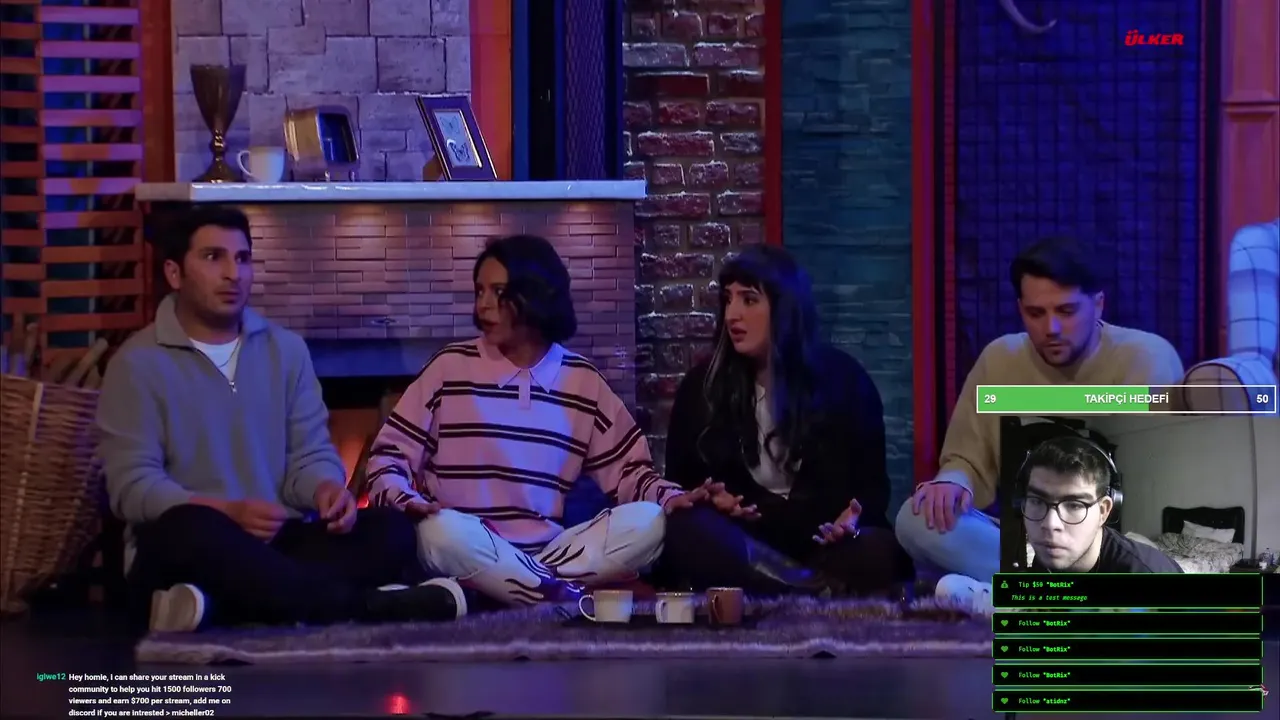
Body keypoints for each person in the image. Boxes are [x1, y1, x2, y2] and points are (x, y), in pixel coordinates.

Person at [97, 206, 465, 633]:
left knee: (391, 530)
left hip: (277, 541)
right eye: (214, 257)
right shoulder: (137, 363)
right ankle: (368, 606)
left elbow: (308, 457)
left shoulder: (285, 351)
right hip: (192, 543)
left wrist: (326, 490)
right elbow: (132, 489)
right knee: (188, 529)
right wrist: (228, 513)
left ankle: (217, 607)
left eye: (243, 258)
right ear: (174, 273)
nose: (233, 274)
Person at [363, 234, 732, 607]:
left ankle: (513, 590)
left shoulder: (582, 381)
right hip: (467, 544)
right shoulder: (449, 368)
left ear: (536, 295)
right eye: (479, 291)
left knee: (649, 521)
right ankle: (552, 593)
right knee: (440, 531)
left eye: (498, 292)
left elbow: (632, 475)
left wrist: (675, 498)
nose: (482, 305)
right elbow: (386, 460)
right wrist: (405, 499)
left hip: (552, 553)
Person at [895, 238, 1185, 610]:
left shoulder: (1147, 359)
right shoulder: (1000, 360)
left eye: (1066, 311)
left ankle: (1017, 597)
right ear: (1020, 309)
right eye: (1036, 313)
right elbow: (965, 460)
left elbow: (1158, 483)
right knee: (915, 519)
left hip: (1110, 542)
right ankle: (1071, 600)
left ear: (1098, 304)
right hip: (1028, 541)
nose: (1052, 328)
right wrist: (952, 482)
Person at [657, 245, 913, 596]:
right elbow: (680, 488)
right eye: (728, 300)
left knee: (880, 551)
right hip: (746, 547)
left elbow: (872, 490)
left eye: (749, 300)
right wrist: (710, 502)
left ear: (784, 308)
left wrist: (852, 521)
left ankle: (792, 587)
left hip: (824, 547)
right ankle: (805, 590)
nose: (732, 315)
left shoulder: (846, 381)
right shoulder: (702, 389)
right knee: (685, 527)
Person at [1018, 436, 1181, 574]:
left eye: (1074, 505)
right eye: (1037, 501)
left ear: (1103, 512)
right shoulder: (1047, 555)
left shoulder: (1147, 572)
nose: (1050, 524)